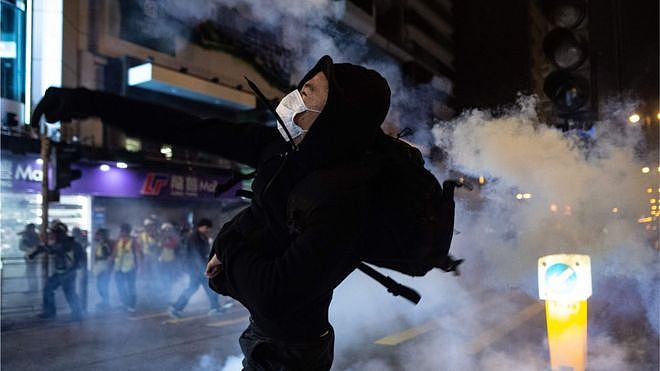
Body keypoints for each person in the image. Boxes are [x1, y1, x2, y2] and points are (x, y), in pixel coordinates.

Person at [32, 55, 391, 370]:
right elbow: (185, 127)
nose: (295, 95)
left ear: (335, 116)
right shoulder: (279, 150)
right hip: (262, 335)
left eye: (309, 91)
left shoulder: (346, 197)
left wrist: (229, 250)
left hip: (294, 352)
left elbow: (272, 293)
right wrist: (89, 102)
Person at [169, 218, 231, 318]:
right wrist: (204, 269)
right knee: (196, 288)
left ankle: (214, 307)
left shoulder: (202, 237)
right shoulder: (194, 238)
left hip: (199, 268)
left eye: (209, 228)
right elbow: (196, 255)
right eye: (206, 228)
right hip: (196, 269)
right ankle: (176, 307)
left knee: (201, 288)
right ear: (200, 227)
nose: (208, 230)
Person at [34, 221, 84, 320]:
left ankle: (77, 314)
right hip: (61, 271)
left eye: (55, 233)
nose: (53, 235)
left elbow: (54, 250)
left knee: (69, 293)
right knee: (50, 289)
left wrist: (43, 248)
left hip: (67, 272)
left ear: (61, 233)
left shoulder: (66, 243)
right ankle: (51, 312)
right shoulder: (67, 242)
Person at [111, 223, 142, 312]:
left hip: (130, 268)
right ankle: (125, 303)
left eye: (121, 231)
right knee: (120, 286)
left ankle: (132, 305)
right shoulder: (118, 240)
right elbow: (115, 253)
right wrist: (111, 262)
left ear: (125, 231)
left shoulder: (133, 241)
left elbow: (137, 254)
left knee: (131, 287)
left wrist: (140, 268)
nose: (120, 232)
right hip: (119, 268)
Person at [92, 228, 113, 310]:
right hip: (101, 267)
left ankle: (106, 303)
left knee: (102, 286)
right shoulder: (99, 244)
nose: (96, 236)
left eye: (98, 234)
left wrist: (108, 269)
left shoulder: (105, 244)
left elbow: (108, 256)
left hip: (104, 268)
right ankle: (105, 302)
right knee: (100, 285)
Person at [18, 223, 40, 292]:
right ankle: (33, 288)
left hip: (33, 257)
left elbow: (24, 246)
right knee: (30, 273)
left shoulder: (35, 236)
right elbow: (21, 247)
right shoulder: (34, 236)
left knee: (31, 273)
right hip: (30, 256)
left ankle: (33, 288)